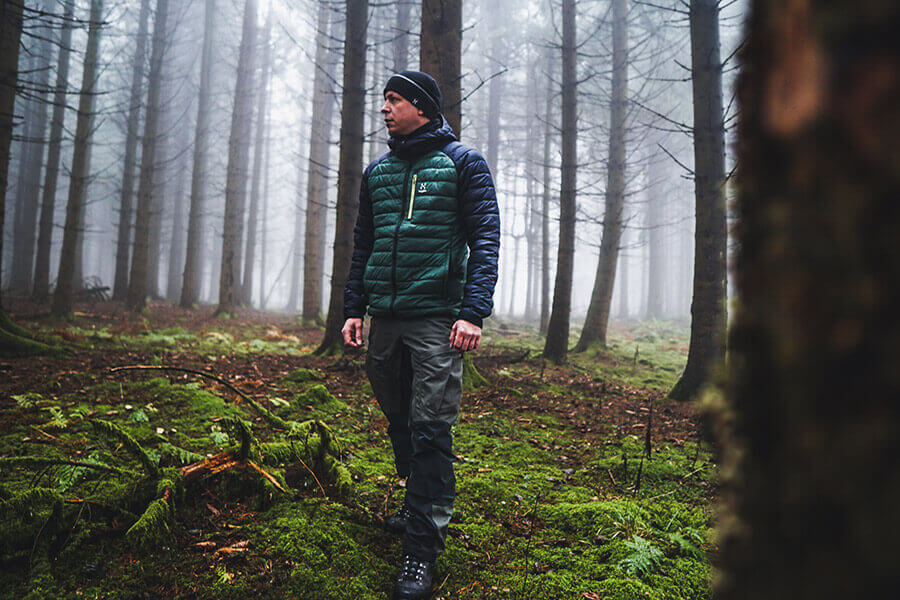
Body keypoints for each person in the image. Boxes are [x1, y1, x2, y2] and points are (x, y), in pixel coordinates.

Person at [342, 70, 500, 600]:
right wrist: (352, 309)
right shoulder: (378, 172)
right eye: (384, 100)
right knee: (399, 415)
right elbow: (363, 243)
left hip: (438, 320)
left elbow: (486, 241)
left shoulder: (463, 163)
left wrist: (473, 312)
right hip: (384, 318)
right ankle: (418, 506)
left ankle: (420, 550)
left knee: (431, 425)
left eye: (394, 100)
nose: (385, 109)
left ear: (422, 106)